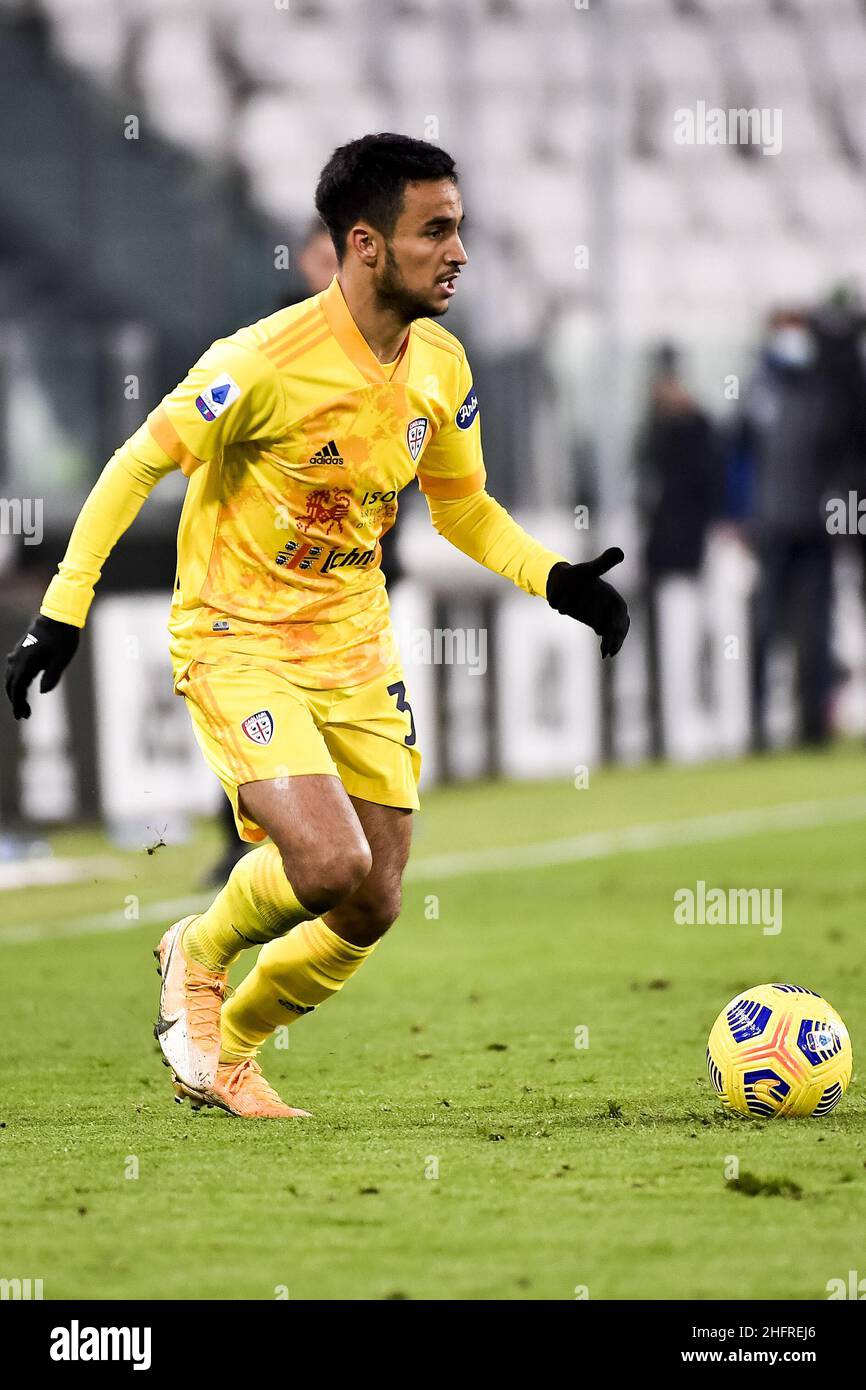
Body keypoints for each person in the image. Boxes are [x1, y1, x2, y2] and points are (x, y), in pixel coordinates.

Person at [4, 134, 629, 1119]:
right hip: (236, 635)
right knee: (326, 862)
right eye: (435, 231)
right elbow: (135, 464)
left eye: (459, 227)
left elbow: (459, 507)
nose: (458, 251)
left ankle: (232, 1052)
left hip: (352, 645)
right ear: (367, 245)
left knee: (372, 897)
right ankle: (196, 953)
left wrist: (554, 579)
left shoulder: (438, 365)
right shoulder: (259, 363)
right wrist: (61, 611)